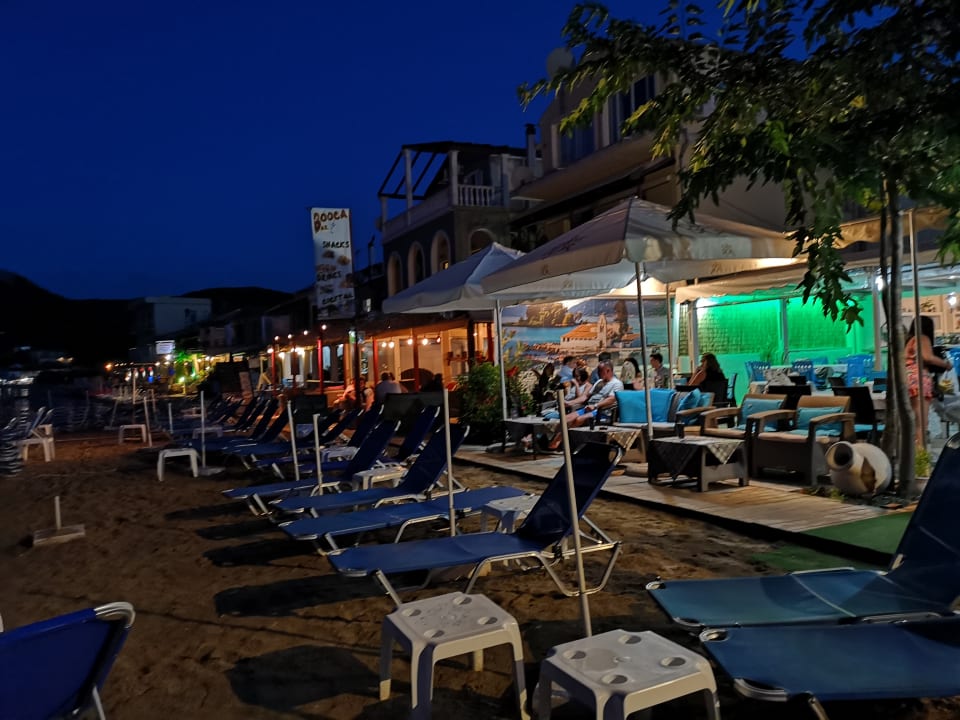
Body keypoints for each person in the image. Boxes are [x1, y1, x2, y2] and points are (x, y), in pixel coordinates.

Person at [906, 315, 951, 447]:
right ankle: (921, 455)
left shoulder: (908, 340)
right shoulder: (922, 338)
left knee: (913, 421)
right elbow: (927, 357)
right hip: (919, 380)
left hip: (907, 379)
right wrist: (946, 364)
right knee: (921, 423)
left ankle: (912, 452)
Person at [564, 360, 624, 429]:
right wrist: (570, 403)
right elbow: (585, 396)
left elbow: (611, 399)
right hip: (588, 408)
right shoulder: (599, 382)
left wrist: (595, 406)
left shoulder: (617, 383)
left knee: (579, 419)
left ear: (608, 370)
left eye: (600, 371)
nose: (598, 373)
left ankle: (567, 435)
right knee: (565, 419)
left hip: (602, 412)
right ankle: (561, 435)